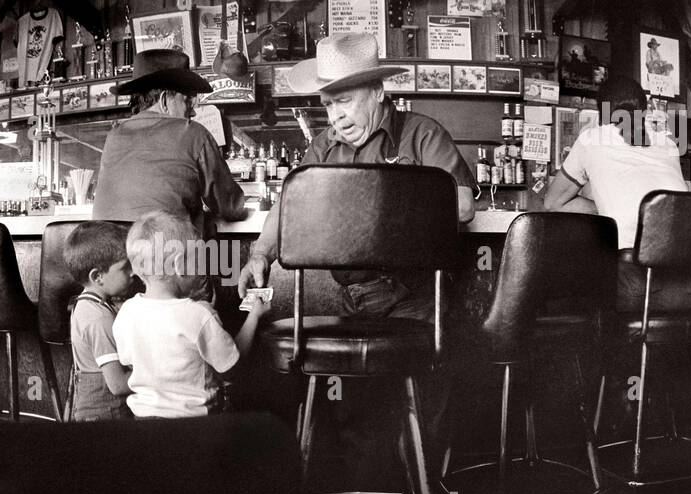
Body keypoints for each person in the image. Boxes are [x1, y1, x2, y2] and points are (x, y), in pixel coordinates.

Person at [237, 32, 476, 321]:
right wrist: (261, 253)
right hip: (350, 296)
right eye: (328, 104)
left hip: (414, 297)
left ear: (377, 91)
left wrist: (366, 210)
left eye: (344, 101)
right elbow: (288, 206)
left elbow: (462, 206)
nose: (334, 117)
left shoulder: (423, 134)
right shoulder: (324, 146)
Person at [542, 74, 691, 313]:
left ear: (602, 114)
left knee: (564, 292)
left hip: (635, 284)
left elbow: (552, 203)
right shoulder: (669, 144)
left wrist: (604, 209)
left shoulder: (592, 138)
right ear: (643, 112)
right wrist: (608, 207)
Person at [113, 211, 270, 418]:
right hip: (195, 426)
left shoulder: (126, 312)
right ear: (179, 265)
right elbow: (232, 368)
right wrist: (254, 317)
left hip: (143, 420)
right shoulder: (198, 315)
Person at [93, 49, 248, 236]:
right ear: (165, 100)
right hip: (162, 257)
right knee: (222, 261)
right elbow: (231, 206)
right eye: (187, 102)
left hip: (109, 254)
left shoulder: (113, 136)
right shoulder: (193, 133)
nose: (192, 112)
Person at [64, 221, 135, 421]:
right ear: (97, 276)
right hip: (107, 414)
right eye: (125, 267)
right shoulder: (98, 318)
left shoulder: (87, 304)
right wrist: (156, 374)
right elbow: (118, 384)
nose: (133, 272)